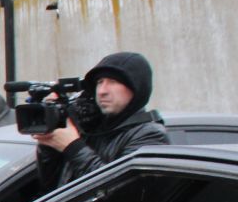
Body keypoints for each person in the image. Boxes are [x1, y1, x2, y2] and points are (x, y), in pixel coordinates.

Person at [33, 51, 169, 190]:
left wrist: (73, 147)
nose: (102, 91)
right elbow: (51, 187)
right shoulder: (92, 128)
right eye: (99, 82)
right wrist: (49, 145)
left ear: (136, 88)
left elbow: (119, 191)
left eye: (113, 82)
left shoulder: (150, 135)